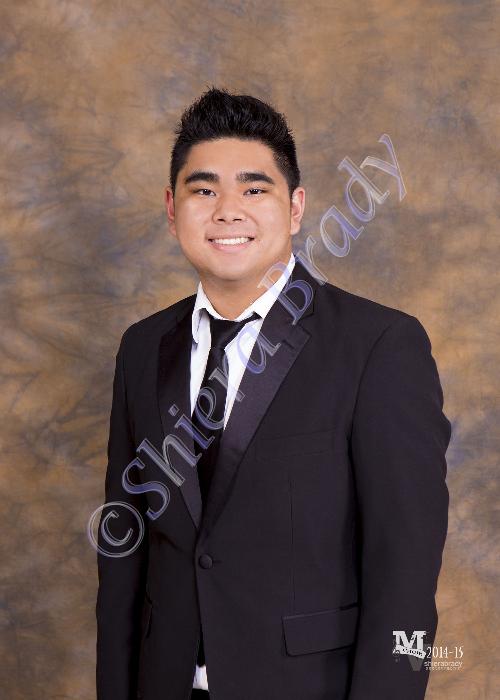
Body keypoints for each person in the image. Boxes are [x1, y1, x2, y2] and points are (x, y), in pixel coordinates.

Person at [95, 87, 452, 700]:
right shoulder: (141, 348)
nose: (227, 212)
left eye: (254, 190)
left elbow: (406, 577)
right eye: (203, 190)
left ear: (295, 208)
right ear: (172, 208)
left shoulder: (379, 346)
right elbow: (123, 558)